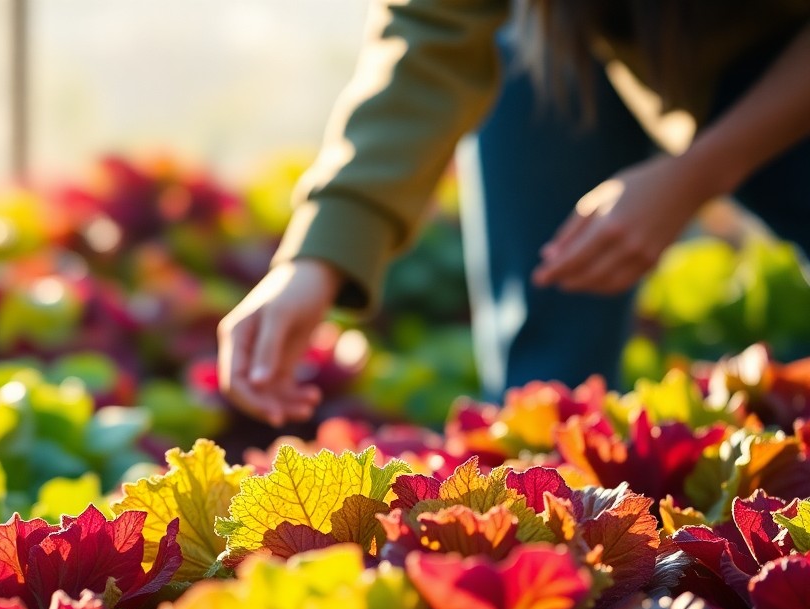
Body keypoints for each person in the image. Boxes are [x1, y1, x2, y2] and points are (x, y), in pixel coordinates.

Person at [217, 1, 810, 427]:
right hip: (576, 34)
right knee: (545, 392)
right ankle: (551, 487)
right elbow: (431, 31)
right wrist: (316, 258)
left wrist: (697, 172)